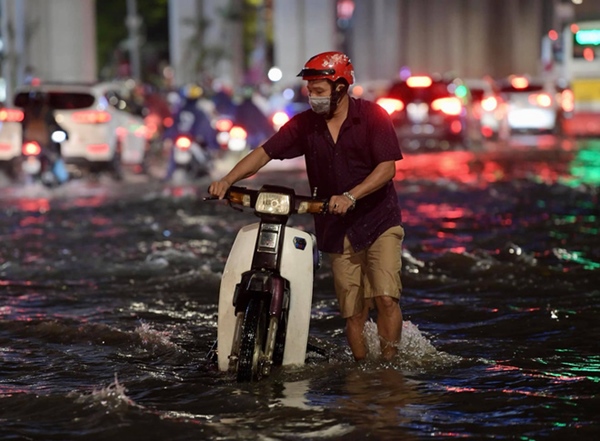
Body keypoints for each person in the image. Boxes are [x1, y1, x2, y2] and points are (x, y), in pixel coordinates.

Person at [208, 51, 405, 361]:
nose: (312, 97)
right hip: (335, 227)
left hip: (379, 219)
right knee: (352, 311)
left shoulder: (373, 117)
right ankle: (363, 369)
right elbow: (265, 152)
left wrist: (351, 196)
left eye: (319, 91)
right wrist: (227, 180)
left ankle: (390, 368)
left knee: (385, 297)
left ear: (340, 88)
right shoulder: (305, 125)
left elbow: (387, 169)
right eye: (310, 91)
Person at [162, 83, 219, 181]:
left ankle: (168, 175)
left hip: (183, 139)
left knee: (173, 155)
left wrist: (167, 137)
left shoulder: (180, 110)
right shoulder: (199, 112)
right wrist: (211, 143)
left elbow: (173, 125)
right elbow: (206, 129)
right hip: (190, 139)